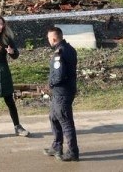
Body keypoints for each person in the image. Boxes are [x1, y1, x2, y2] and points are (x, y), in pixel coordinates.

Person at [43, 25, 79, 162]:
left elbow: (58, 76)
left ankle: (72, 152)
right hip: (65, 91)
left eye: (48, 38)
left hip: (62, 93)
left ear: (53, 38)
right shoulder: (70, 49)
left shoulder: (59, 53)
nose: (48, 40)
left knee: (65, 122)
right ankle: (57, 146)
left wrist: (50, 84)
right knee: (53, 117)